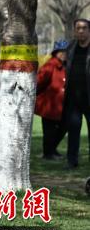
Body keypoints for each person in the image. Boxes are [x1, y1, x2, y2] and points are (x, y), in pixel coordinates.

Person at [35, 40, 68, 160]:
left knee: (64, 126)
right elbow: (38, 82)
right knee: (49, 131)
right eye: (61, 51)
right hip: (49, 106)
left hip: (61, 105)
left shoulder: (66, 65)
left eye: (65, 51)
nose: (64, 54)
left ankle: (51, 150)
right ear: (56, 53)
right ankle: (48, 153)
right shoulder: (50, 65)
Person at [64, 19, 90, 169]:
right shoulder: (70, 48)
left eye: (84, 28)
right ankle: (71, 161)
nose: (80, 31)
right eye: (78, 28)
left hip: (88, 97)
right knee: (73, 131)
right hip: (74, 97)